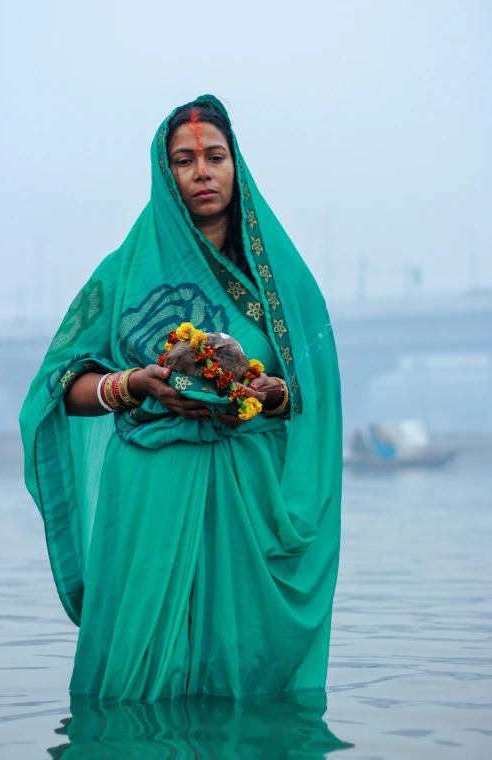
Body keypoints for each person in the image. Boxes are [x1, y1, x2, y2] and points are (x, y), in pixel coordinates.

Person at [20, 95, 342, 703]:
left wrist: (268, 396)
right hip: (148, 496)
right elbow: (58, 388)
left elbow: (310, 399)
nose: (201, 171)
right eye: (184, 160)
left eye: (215, 156)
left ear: (235, 166)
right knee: (133, 685)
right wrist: (134, 384)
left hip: (248, 504)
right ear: (164, 174)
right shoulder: (123, 274)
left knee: (241, 685)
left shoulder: (284, 285)